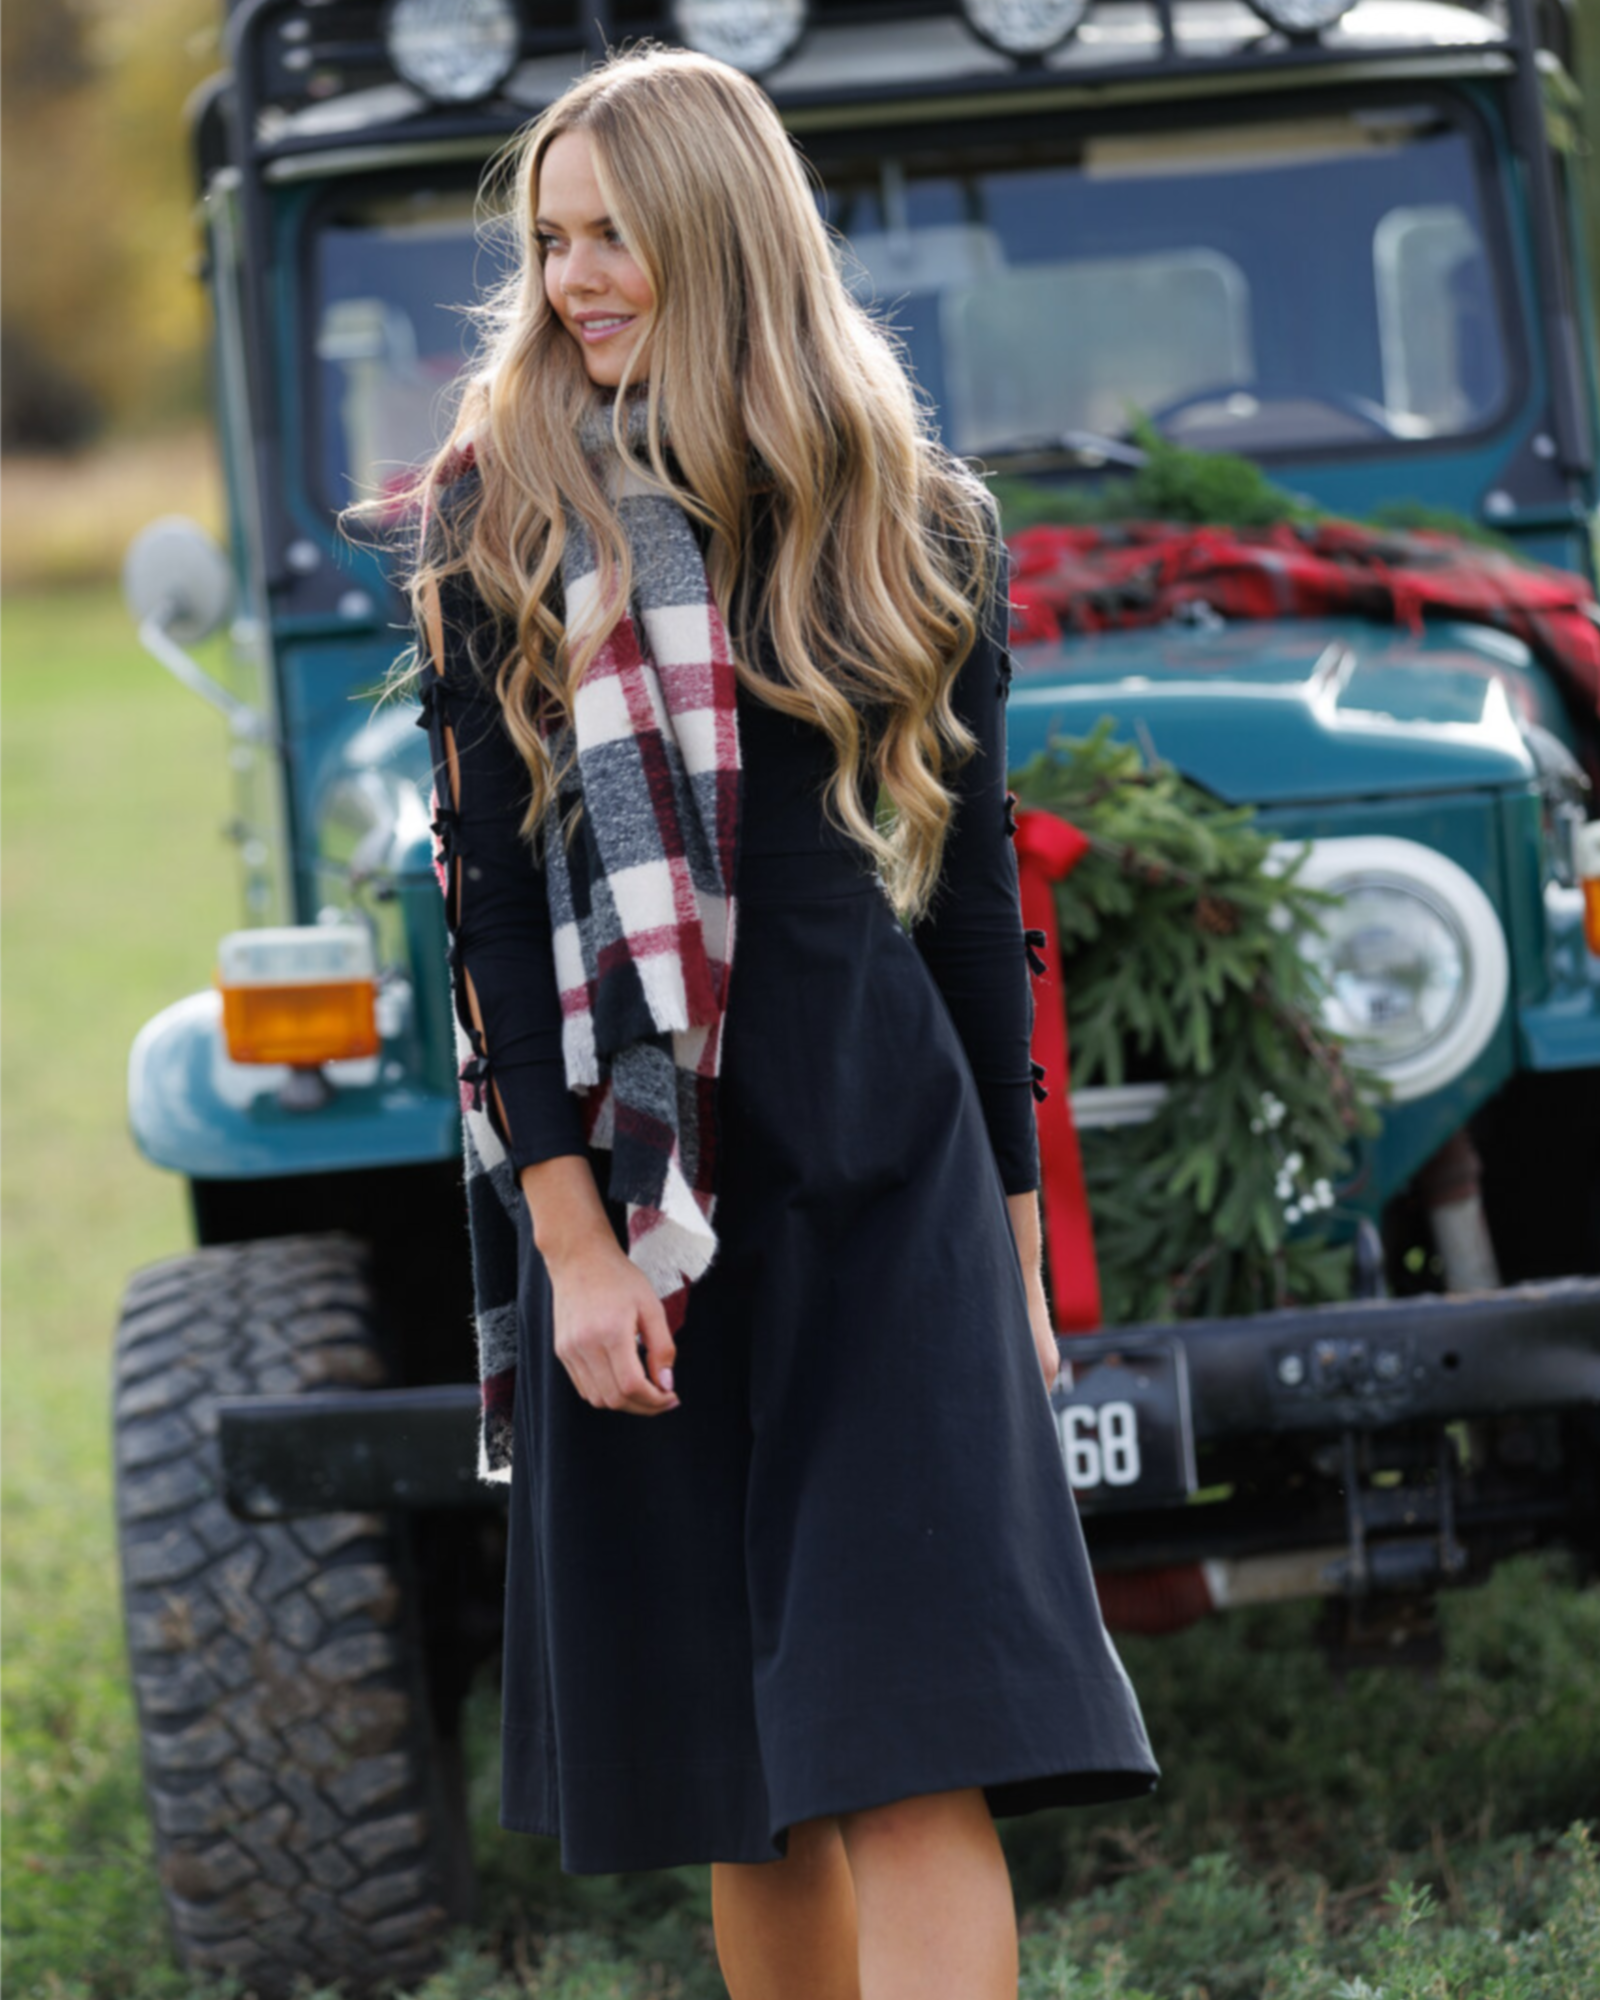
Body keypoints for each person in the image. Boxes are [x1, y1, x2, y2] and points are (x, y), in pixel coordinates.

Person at [375, 41, 1157, 1999]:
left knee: (912, 1739)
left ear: (722, 237)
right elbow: (489, 918)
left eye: (611, 235)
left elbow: (965, 902)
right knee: (746, 1769)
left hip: (887, 1164)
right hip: (647, 1182)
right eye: (549, 241)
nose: (571, 279)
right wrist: (572, 1247)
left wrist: (1008, 1253)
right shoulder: (493, 520)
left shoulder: (910, 511)